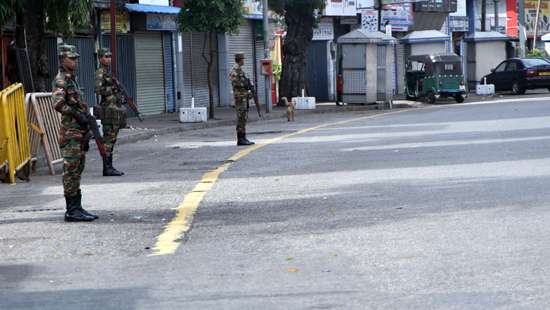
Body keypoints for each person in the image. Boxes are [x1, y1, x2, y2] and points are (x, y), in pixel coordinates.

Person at [52, 43, 97, 222]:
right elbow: (58, 104)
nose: (75, 61)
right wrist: (77, 115)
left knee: (77, 169)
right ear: (63, 59)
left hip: (78, 133)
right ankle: (71, 210)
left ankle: (77, 207)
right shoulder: (61, 80)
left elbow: (76, 101)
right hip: (70, 133)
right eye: (71, 58)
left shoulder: (72, 79)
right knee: (70, 171)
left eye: (76, 58)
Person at [95, 48, 125, 176]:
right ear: (100, 58)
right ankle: (107, 168)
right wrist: (112, 88)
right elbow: (98, 89)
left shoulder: (108, 72)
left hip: (114, 110)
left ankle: (109, 166)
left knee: (112, 140)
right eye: (105, 56)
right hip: (108, 110)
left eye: (109, 56)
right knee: (108, 140)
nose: (108, 59)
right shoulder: (100, 73)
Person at [229, 53, 255, 146]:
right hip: (240, 97)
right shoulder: (234, 70)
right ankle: (240, 139)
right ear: (240, 59)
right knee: (241, 117)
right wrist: (245, 84)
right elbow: (235, 82)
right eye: (243, 59)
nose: (244, 60)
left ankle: (243, 137)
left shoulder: (240, 70)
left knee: (244, 117)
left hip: (244, 96)